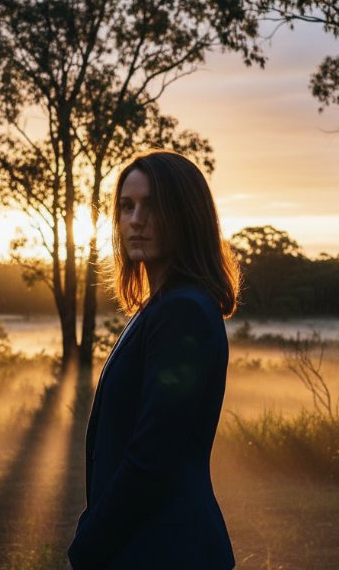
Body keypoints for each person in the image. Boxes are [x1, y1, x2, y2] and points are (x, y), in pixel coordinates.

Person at [67, 150, 239, 569]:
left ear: (187, 215)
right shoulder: (162, 307)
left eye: (153, 205)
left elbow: (152, 456)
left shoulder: (183, 312)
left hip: (169, 548)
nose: (136, 220)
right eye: (127, 206)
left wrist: (87, 548)